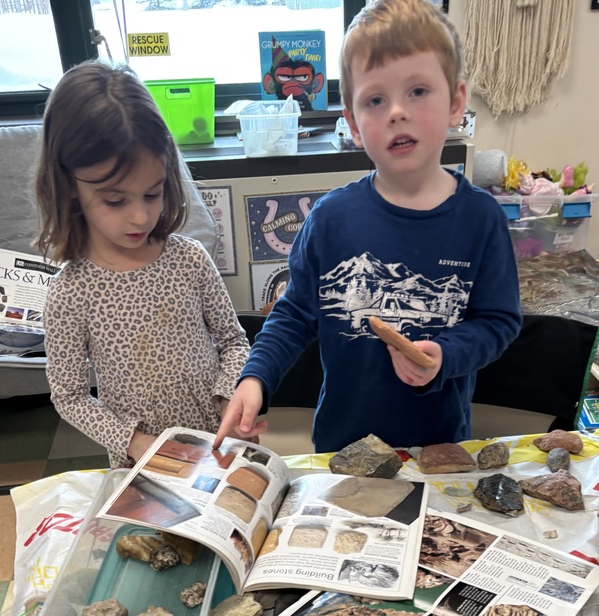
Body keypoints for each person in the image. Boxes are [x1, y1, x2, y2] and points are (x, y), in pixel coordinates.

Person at [214, 0, 521, 454]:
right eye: (376, 100)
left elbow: (498, 322)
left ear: (456, 102)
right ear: (354, 124)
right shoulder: (331, 219)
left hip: (435, 449)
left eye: (418, 91)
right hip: (343, 446)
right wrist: (255, 377)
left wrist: (447, 355)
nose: (397, 111)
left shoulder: (482, 218)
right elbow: (294, 314)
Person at [35, 61, 250, 468]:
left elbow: (234, 342)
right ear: (68, 188)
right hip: (139, 466)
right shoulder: (71, 292)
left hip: (214, 448)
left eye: (152, 194)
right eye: (115, 201)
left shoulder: (188, 259)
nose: (139, 217)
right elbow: (69, 396)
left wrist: (229, 399)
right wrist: (136, 444)